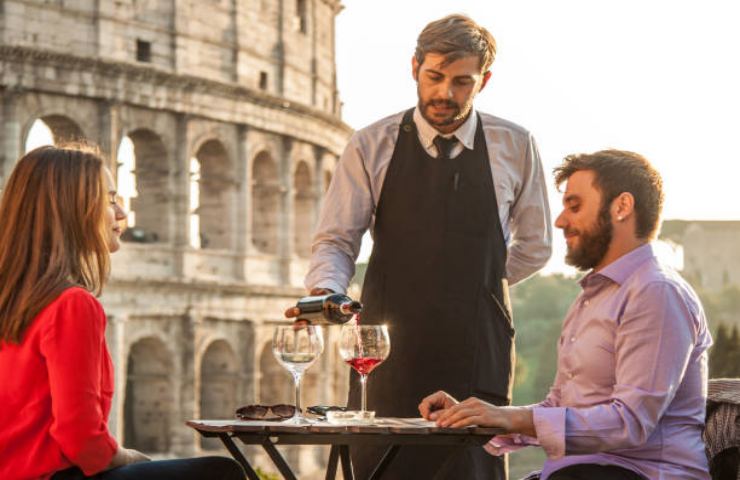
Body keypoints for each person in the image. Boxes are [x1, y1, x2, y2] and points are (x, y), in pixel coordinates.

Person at [288, 13, 552, 479]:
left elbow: (536, 245)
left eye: (461, 82)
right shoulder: (371, 144)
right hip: (385, 343)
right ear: (414, 68)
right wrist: (328, 292)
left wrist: (481, 284)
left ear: (483, 81)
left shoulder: (517, 144)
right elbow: (336, 239)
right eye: (434, 77)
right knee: (383, 465)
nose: (445, 94)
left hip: (478, 343)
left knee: (473, 467)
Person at [419, 150, 712, 480]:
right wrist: (485, 416)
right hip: (580, 472)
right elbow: (559, 406)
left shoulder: (656, 292)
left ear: (622, 207)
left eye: (575, 206)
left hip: (640, 474)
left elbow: (630, 422)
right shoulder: (592, 296)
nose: (560, 221)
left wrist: (511, 420)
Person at [0, 146, 244, 480]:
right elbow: (81, 438)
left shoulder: (13, 298)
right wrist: (128, 456)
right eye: (110, 199)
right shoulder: (72, 304)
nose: (122, 213)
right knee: (219, 471)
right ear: (73, 208)